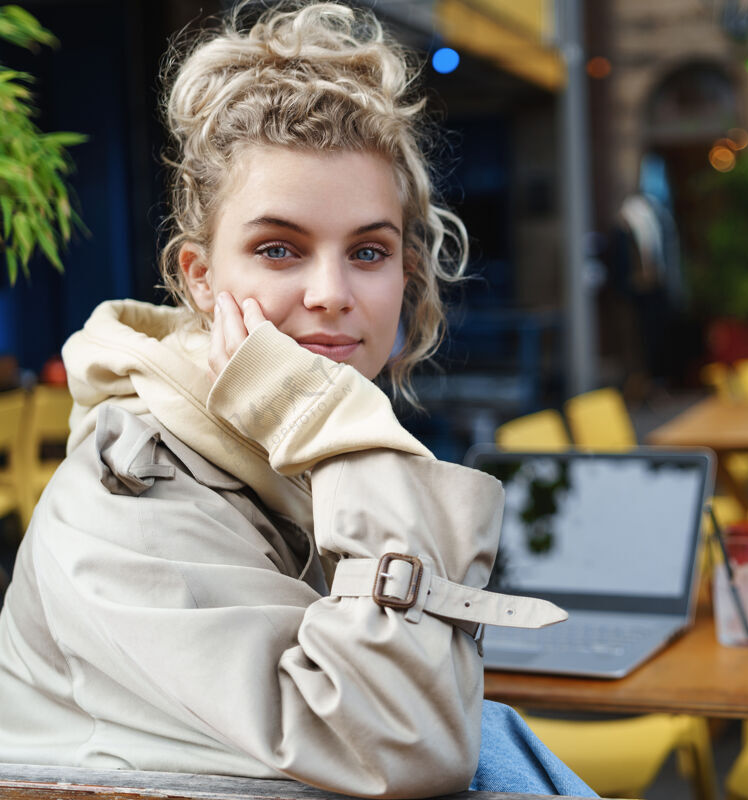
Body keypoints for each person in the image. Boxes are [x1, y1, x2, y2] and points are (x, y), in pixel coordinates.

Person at [0, 3, 595, 797]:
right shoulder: (130, 498)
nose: (330, 294)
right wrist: (338, 429)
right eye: (278, 249)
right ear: (200, 277)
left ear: (405, 273)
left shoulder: (275, 454)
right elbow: (401, 746)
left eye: (369, 251)